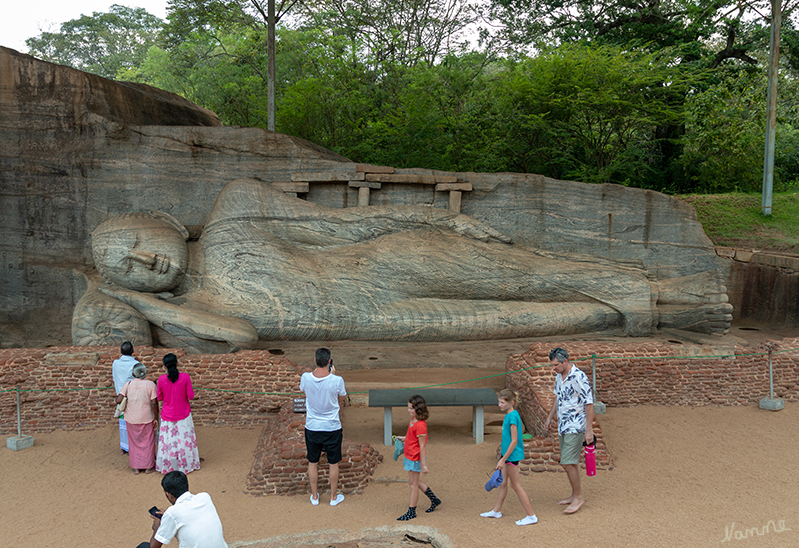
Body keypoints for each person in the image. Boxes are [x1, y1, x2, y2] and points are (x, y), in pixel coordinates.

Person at [87, 179, 732, 352]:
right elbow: (244, 338)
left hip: (386, 263)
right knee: (524, 319)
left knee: (528, 275)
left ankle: (679, 289)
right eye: (128, 270)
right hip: (383, 318)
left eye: (139, 243)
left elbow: (345, 224)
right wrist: (149, 305)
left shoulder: (231, 215)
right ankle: (664, 311)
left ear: (165, 222)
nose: (145, 261)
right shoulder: (195, 313)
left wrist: (440, 221)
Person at [543, 347, 595, 514]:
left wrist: (589, 430)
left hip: (576, 426)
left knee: (566, 463)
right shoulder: (559, 375)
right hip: (563, 425)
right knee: (572, 462)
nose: (554, 368)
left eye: (556, 365)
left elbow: (589, 403)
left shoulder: (579, 377)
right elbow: (557, 396)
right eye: (552, 365)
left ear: (565, 361)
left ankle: (579, 497)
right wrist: (550, 417)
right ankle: (574, 495)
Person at [480, 389, 537, 525]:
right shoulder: (510, 414)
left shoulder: (512, 417)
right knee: (503, 483)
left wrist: (502, 459)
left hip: (511, 457)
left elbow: (514, 441)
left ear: (511, 403)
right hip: (507, 455)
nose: (499, 404)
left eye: (502, 402)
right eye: (499, 401)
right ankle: (496, 511)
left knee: (516, 486)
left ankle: (531, 515)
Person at [299, 347, 347, 506]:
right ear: (329, 361)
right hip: (332, 427)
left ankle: (314, 496)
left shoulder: (305, 378)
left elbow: (304, 388)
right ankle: (333, 497)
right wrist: (332, 374)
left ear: (314, 361)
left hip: (312, 426)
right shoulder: (337, 380)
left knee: (312, 461)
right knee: (333, 463)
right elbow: (341, 398)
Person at [139, 470, 226, 548]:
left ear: (168, 494)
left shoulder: (172, 513)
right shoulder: (205, 497)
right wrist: (168, 516)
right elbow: (189, 515)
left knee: (143, 546)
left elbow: (154, 547)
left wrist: (157, 528)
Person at [395, 394, 441, 521]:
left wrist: (423, 465)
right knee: (414, 481)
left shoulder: (420, 424)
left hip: (415, 457)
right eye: (408, 407)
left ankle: (412, 511)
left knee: (413, 484)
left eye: (411, 408)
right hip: (410, 455)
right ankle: (434, 499)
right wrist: (404, 438)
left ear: (418, 409)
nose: (408, 410)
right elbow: (412, 437)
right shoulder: (413, 420)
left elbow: (422, 445)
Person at [156, 353, 200, 474]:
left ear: (165, 365)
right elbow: (191, 396)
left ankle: (170, 465)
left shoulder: (161, 379)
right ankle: (185, 464)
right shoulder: (185, 377)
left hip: (167, 415)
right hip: (183, 414)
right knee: (183, 440)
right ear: (177, 363)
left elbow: (159, 397)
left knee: (169, 442)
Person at [118, 363, 159, 474]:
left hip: (131, 418)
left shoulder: (128, 384)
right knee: (148, 442)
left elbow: (118, 400)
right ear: (145, 373)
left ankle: (136, 467)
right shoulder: (151, 385)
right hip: (147, 417)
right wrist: (156, 418)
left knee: (134, 442)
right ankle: (148, 466)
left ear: (132, 374)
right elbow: (154, 403)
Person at [112, 341, 139, 453]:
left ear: (121, 351)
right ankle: (134, 446)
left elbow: (115, 378)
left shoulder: (115, 363)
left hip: (120, 395)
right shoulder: (135, 364)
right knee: (133, 422)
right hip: (133, 396)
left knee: (123, 422)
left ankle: (125, 447)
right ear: (132, 351)